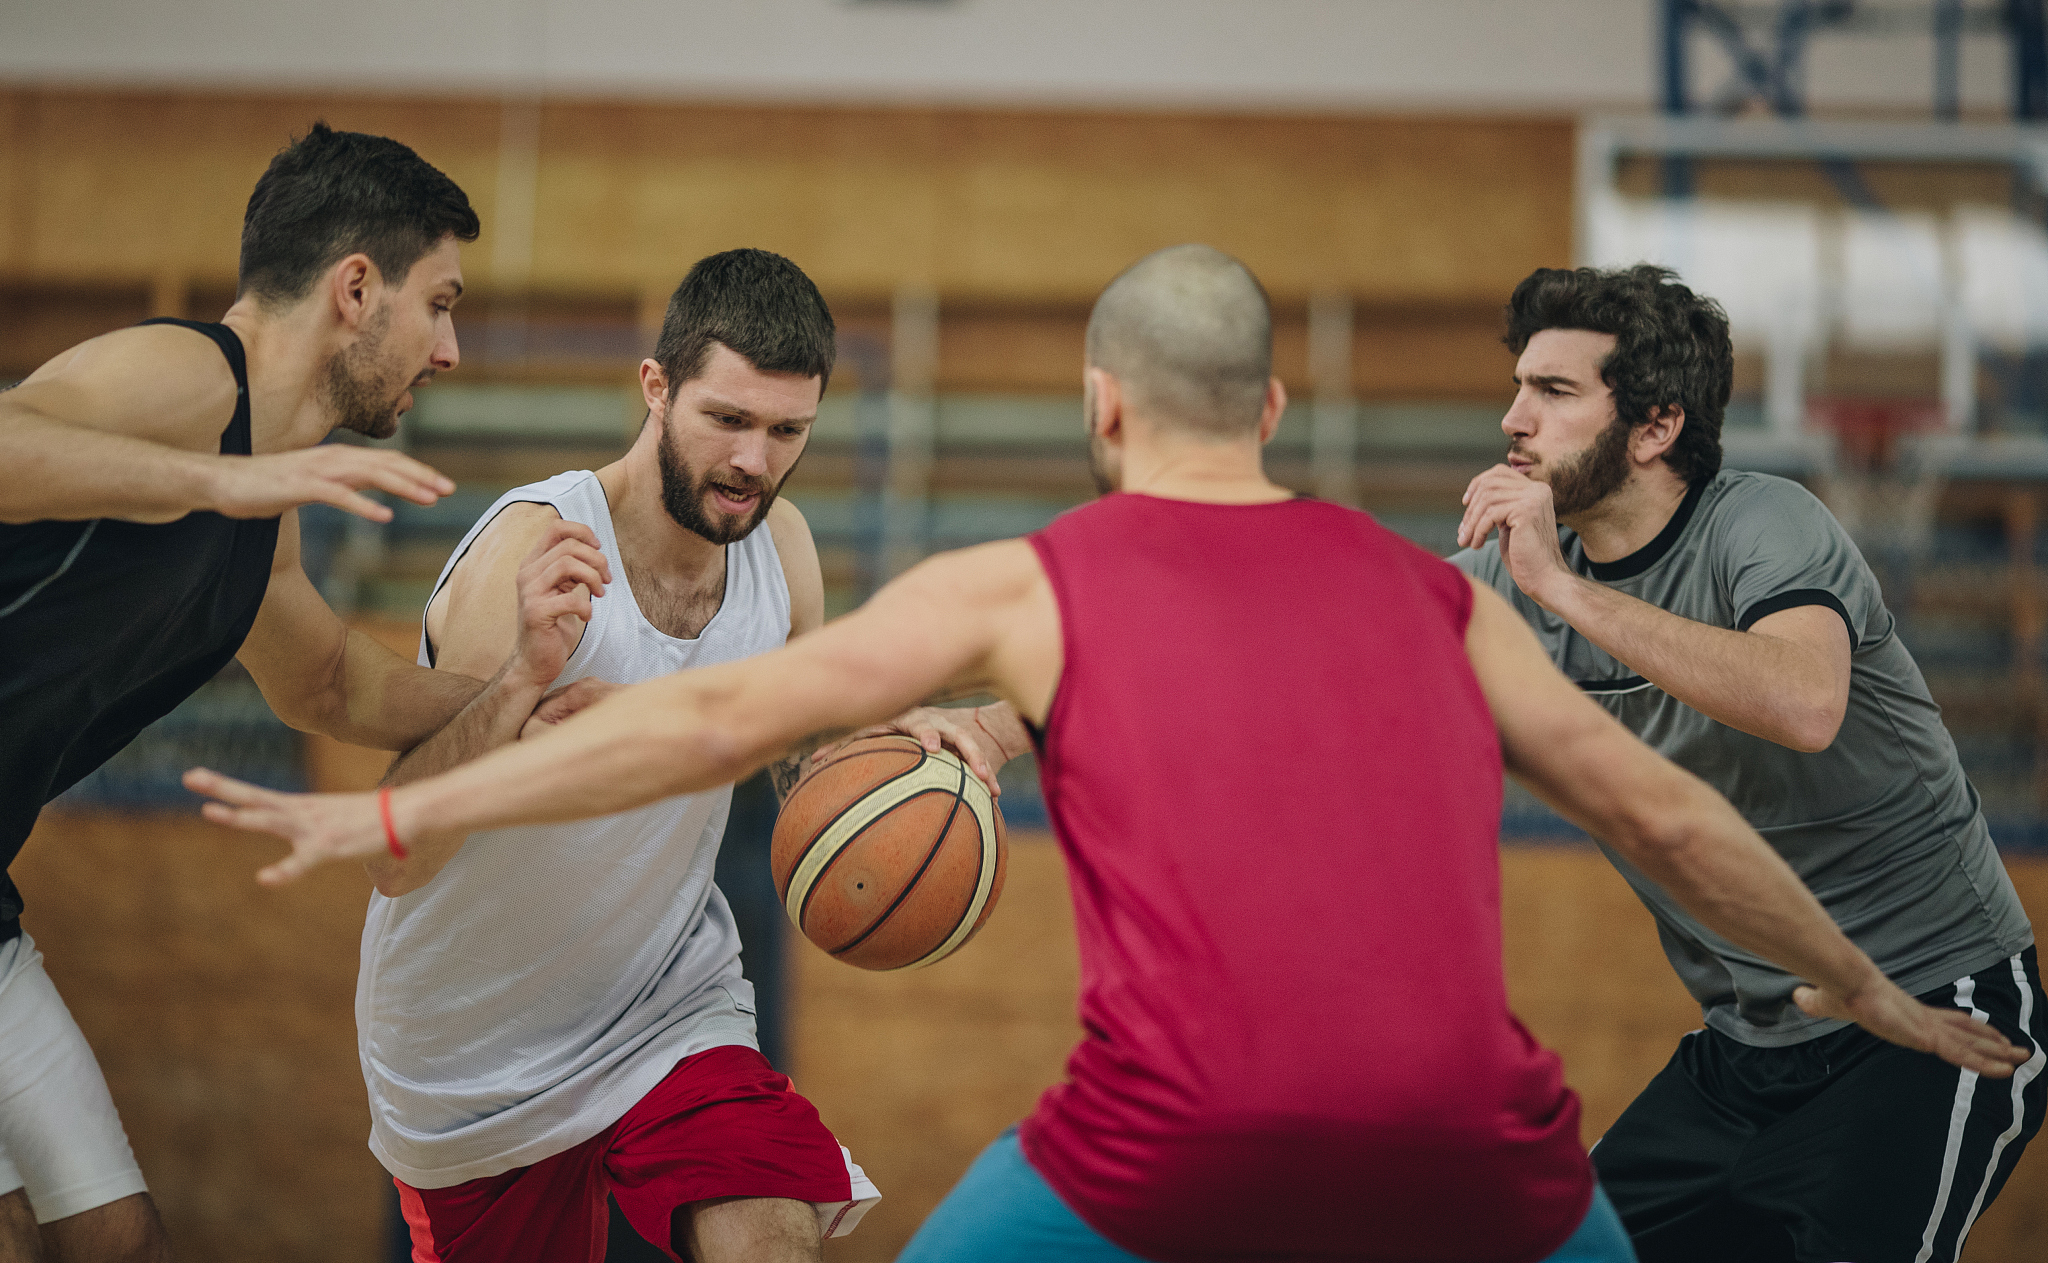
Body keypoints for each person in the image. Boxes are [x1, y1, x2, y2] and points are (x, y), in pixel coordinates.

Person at [185, 245, 2028, 1263]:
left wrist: (406, 798)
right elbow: (1663, 809)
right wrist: (1864, 984)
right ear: (1279, 408)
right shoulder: (1435, 593)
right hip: (1488, 1154)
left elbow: (705, 717)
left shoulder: (1029, 578)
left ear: (1097, 408)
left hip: (1171, 1144)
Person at [0, 123, 574, 1262]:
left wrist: (514, 694)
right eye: (440, 303)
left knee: (116, 1240)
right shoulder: (183, 377)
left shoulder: (260, 503)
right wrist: (220, 476)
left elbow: (328, 681)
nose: (449, 348)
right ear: (356, 289)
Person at [1451, 263, 2045, 1263]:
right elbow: (1350, 649)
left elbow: (1802, 704)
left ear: (1651, 428)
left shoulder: (1760, 523)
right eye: (1517, 386)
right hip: (1743, 1052)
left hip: (1935, 1020)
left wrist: (1560, 589)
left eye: (1552, 392)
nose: (1513, 417)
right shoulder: (1496, 580)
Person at [338, 249, 881, 1263]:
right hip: (473, 1054)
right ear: (655, 387)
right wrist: (513, 687)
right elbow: (395, 855)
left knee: (773, 1234)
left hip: (669, 1006)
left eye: (785, 432)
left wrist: (904, 755)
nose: (753, 463)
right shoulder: (534, 552)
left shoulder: (782, 553)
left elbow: (796, 751)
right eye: (726, 420)